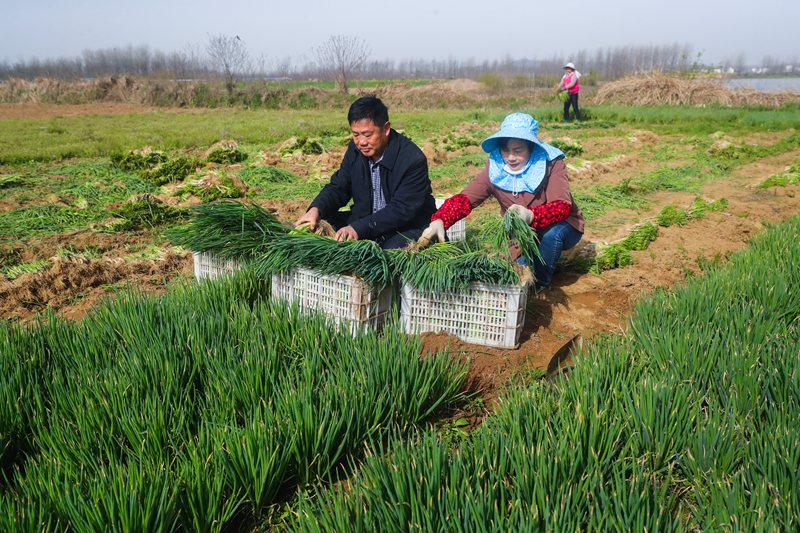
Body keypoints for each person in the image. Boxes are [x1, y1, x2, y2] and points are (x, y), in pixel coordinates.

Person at [418, 112, 584, 293]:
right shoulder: (496, 168)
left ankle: (541, 284)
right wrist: (440, 219)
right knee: (517, 273)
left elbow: (562, 206)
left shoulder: (551, 164)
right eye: (506, 150)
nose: (511, 157)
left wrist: (531, 215)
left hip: (562, 225)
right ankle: (533, 269)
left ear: (531, 147)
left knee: (551, 236)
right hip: (520, 235)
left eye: (518, 150)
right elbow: (465, 199)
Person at [295, 95, 436, 249]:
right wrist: (316, 208)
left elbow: (401, 210)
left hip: (405, 227)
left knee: (388, 253)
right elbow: (339, 186)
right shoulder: (355, 151)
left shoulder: (412, 159)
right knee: (319, 226)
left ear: (386, 128)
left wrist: (359, 228)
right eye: (356, 135)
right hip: (366, 219)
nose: (361, 142)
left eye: (368, 135)